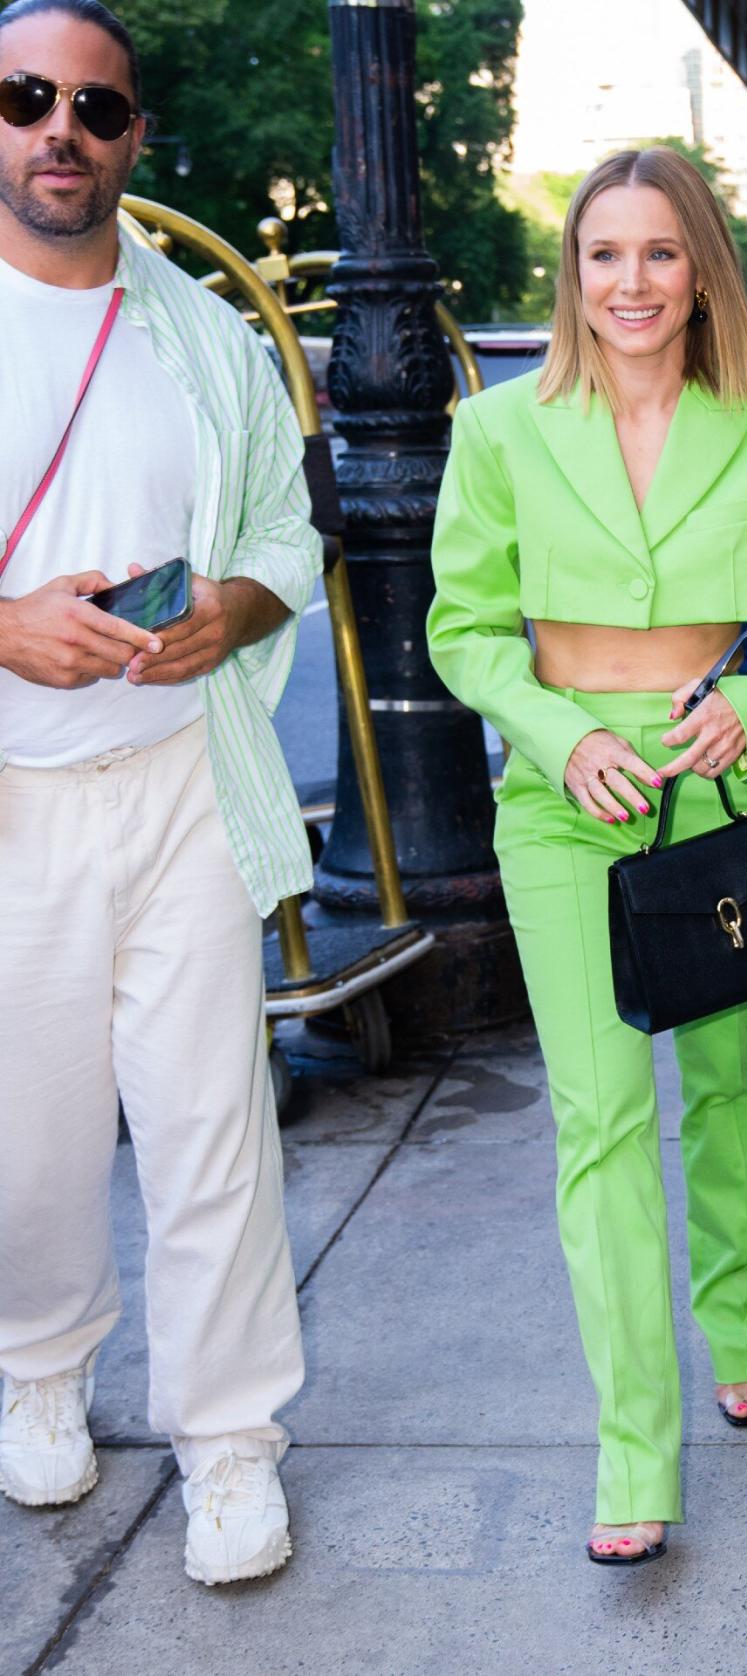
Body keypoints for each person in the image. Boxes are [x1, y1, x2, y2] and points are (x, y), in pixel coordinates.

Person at [428, 146, 747, 1566]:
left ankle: (734, 1312)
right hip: (566, 799)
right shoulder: (497, 431)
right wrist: (557, 737)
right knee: (600, 1117)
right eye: (603, 253)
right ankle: (634, 1445)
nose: (630, 281)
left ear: (701, 273)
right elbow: (465, 630)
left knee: (728, 1080)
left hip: (718, 785)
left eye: (659, 252)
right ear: (572, 276)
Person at [0, 0, 320, 1585]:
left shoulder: (197, 322)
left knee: (215, 1131)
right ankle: (42, 1367)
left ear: (135, 138)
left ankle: (232, 1445)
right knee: (31, 1138)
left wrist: (230, 616)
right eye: (25, 96)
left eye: (96, 108)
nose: (61, 127)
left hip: (187, 774)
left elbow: (284, 542)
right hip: (14, 803)